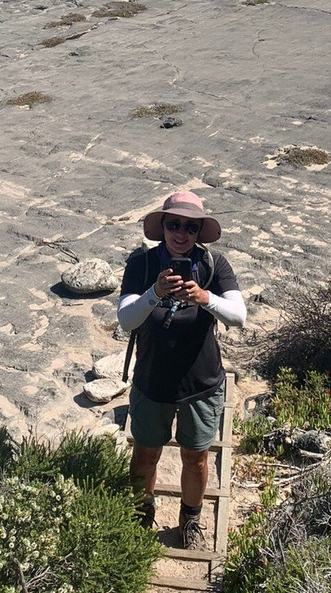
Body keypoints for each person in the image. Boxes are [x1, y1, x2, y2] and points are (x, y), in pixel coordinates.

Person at [117, 190, 246, 550]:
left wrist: (206, 298)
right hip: (152, 381)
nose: (181, 233)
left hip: (200, 384)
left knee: (196, 457)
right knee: (145, 455)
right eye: (174, 224)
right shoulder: (142, 265)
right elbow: (126, 320)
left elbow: (238, 316)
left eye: (191, 227)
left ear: (199, 232)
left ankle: (190, 519)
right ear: (162, 227)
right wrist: (155, 293)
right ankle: (141, 513)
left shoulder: (214, 265)